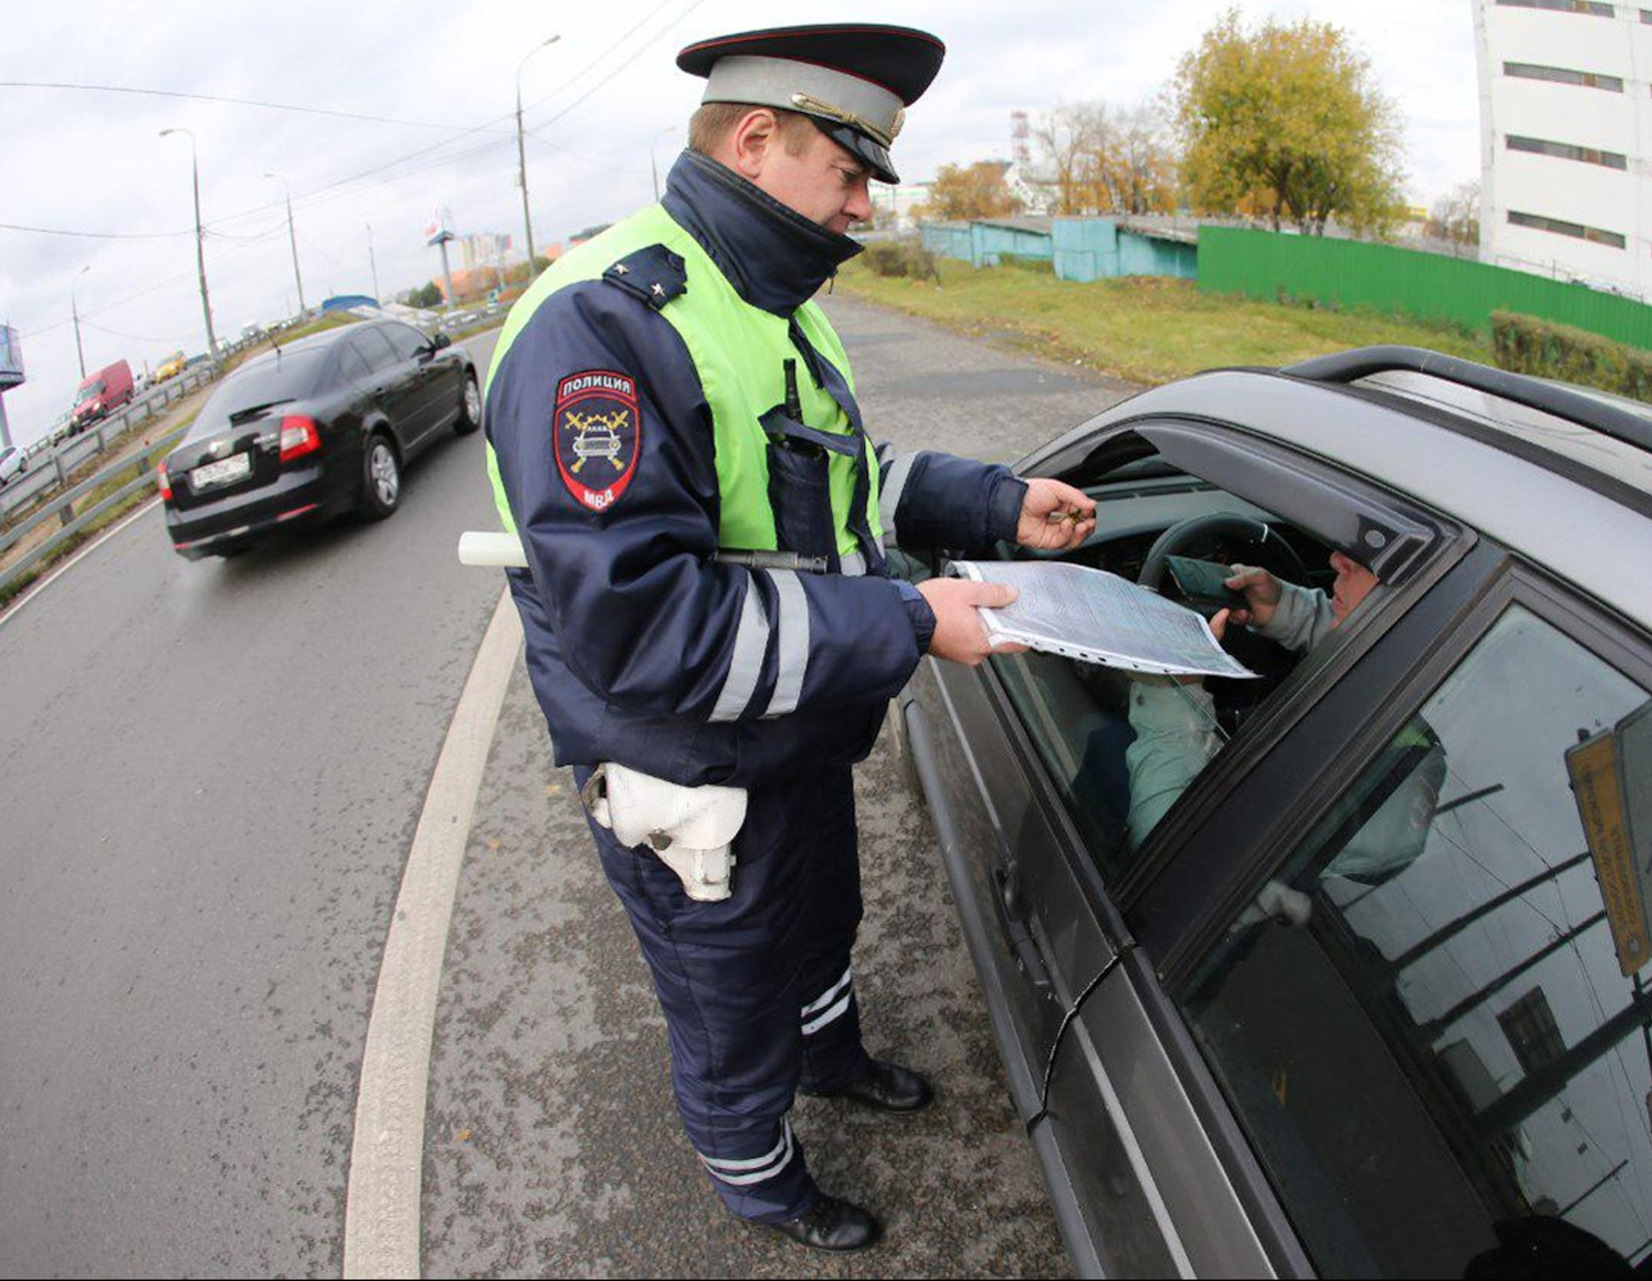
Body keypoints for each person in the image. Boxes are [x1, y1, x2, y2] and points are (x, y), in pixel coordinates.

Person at [481, 23, 1097, 1252]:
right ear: (757, 141)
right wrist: (913, 620)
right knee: (730, 1002)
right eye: (850, 172)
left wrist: (990, 504)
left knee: (819, 920)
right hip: (689, 770)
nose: (863, 207)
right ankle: (760, 1183)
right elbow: (643, 630)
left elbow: (834, 487)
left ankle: (835, 1060)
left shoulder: (766, 296)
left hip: (794, 731)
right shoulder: (602, 326)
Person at [1125, 552, 1378, 843]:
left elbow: (1166, 851)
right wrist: (1285, 608)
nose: (1337, 559)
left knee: (1099, 738)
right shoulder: (1408, 648)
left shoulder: (1384, 794)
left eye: (1372, 556)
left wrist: (1169, 687)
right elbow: (1376, 623)